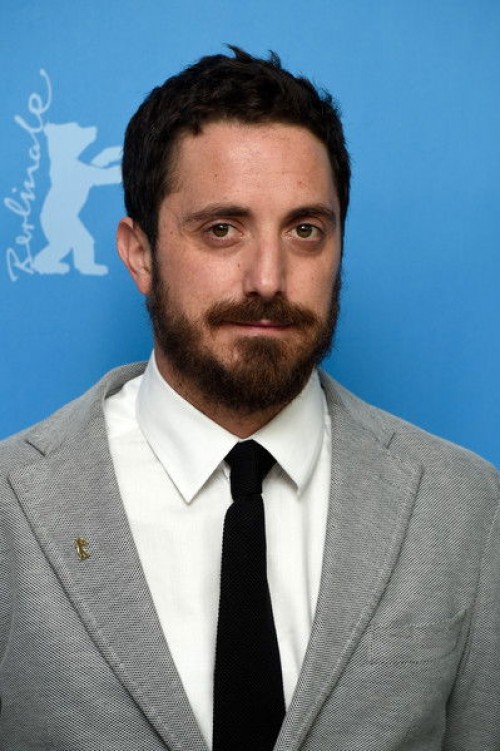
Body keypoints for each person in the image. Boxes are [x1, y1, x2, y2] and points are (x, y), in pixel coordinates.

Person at [0, 46, 498, 751]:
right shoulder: (11, 506)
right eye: (222, 229)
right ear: (140, 253)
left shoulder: (466, 507)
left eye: (305, 230)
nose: (268, 278)